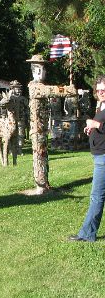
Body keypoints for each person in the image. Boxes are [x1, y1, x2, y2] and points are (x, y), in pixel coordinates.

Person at [69, 75, 105, 242]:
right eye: (98, 90)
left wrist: (97, 125)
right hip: (99, 155)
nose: (101, 92)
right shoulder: (101, 106)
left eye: (103, 89)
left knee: (96, 196)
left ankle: (87, 234)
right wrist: (90, 128)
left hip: (103, 158)